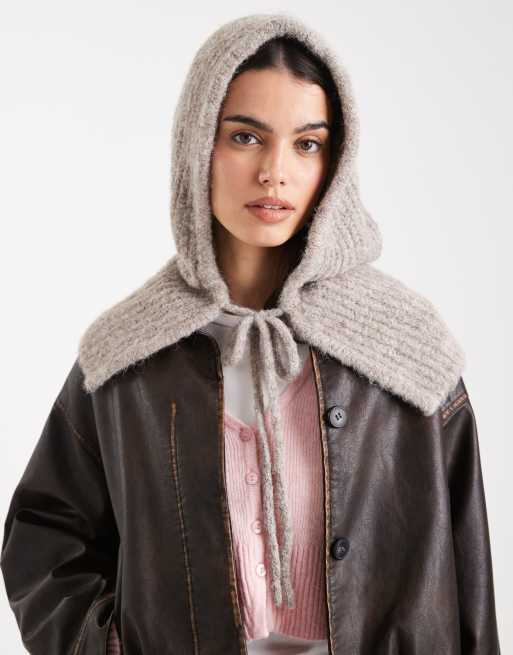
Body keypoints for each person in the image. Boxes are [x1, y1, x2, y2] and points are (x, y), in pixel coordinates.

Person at [1, 12, 501, 655]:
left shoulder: (408, 347)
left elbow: (469, 579)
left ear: (336, 162)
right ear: (197, 145)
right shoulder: (127, 353)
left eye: (307, 144)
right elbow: (43, 536)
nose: (275, 172)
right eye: (245, 137)